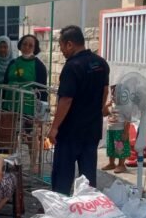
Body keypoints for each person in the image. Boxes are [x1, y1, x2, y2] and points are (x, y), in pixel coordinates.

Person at [47, 25, 110, 195]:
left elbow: (66, 100)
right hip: (92, 128)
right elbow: (105, 90)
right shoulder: (101, 63)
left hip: (71, 131)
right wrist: (97, 108)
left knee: (63, 173)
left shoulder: (72, 66)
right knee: (88, 174)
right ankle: (87, 206)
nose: (61, 51)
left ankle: (59, 207)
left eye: (61, 46)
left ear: (69, 44)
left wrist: (54, 128)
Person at [3, 34, 48, 173]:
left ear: (35, 48)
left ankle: (33, 164)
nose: (27, 47)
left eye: (30, 45)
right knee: (11, 134)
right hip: (11, 104)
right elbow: (5, 82)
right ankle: (10, 162)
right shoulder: (13, 62)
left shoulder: (39, 66)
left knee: (30, 135)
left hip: (29, 106)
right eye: (25, 44)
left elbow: (42, 89)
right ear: (20, 45)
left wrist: (41, 111)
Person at [102, 85, 130, 174]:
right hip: (110, 129)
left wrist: (125, 132)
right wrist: (106, 106)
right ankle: (111, 163)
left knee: (120, 148)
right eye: (113, 94)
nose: (114, 97)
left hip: (120, 130)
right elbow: (104, 114)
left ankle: (121, 164)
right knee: (111, 147)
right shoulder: (112, 104)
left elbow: (127, 120)